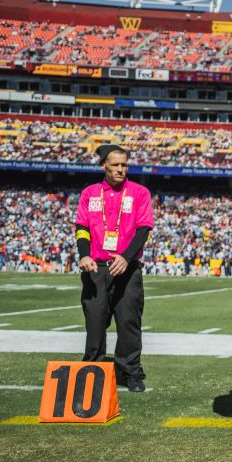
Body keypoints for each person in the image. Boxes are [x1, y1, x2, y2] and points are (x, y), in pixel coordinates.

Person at [75, 144, 154, 392]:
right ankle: (93, 371)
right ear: (104, 167)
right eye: (116, 165)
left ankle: (130, 373)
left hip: (127, 269)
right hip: (96, 269)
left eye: (124, 165)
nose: (121, 169)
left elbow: (144, 229)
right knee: (95, 322)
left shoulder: (140, 193)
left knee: (129, 321)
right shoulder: (89, 193)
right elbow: (82, 228)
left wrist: (126, 257)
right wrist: (84, 255)